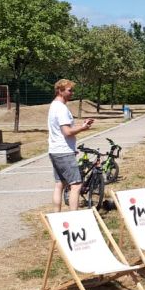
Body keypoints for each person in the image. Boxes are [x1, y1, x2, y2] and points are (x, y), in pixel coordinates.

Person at [48, 79, 94, 211]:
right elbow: (67, 131)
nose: (72, 93)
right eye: (69, 90)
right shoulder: (61, 108)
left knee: (60, 184)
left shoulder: (53, 105)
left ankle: (56, 216)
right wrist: (83, 128)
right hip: (64, 152)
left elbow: (64, 127)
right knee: (76, 185)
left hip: (54, 150)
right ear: (60, 91)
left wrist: (81, 124)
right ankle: (73, 218)